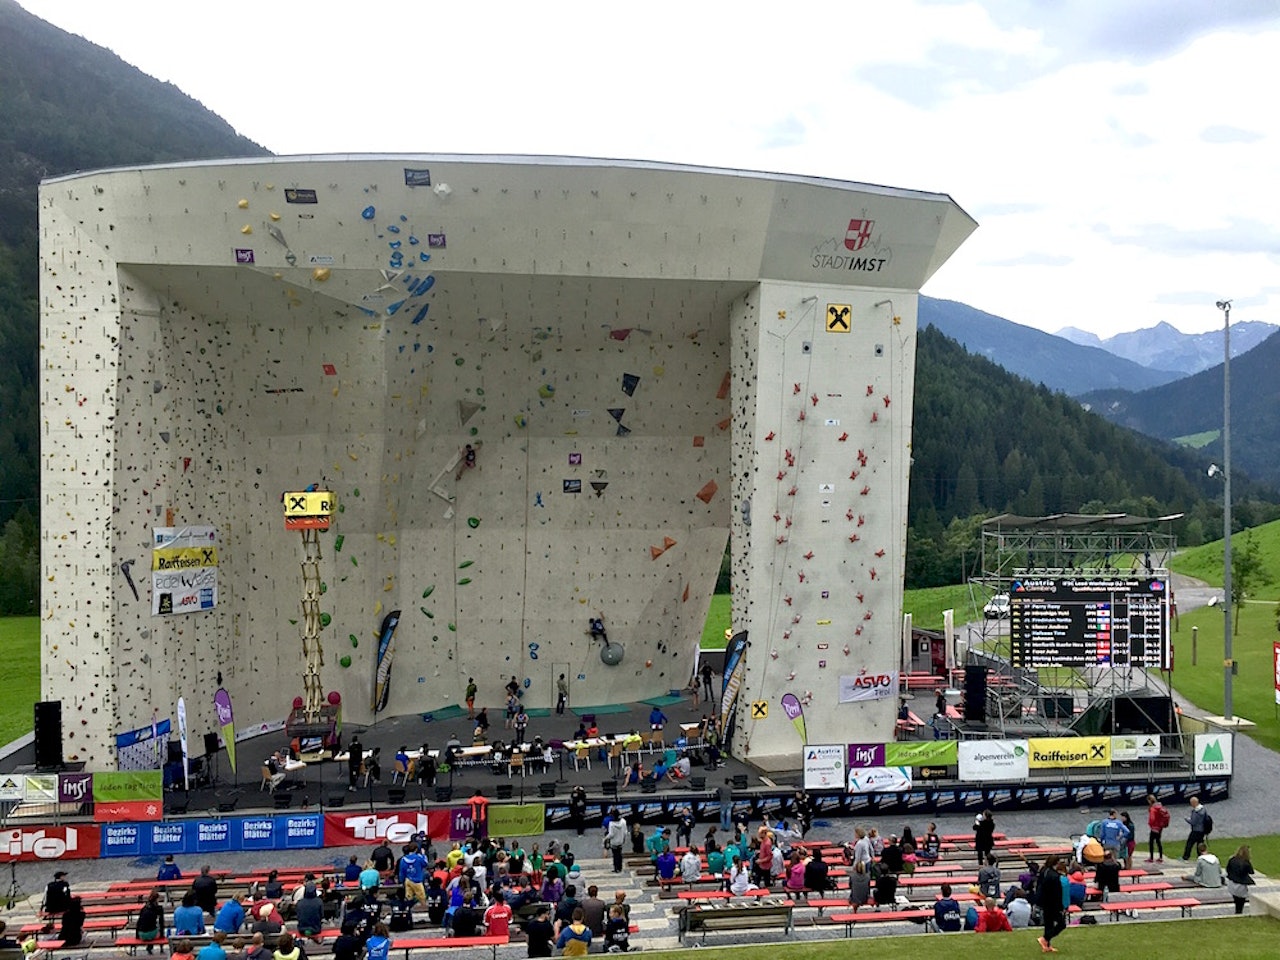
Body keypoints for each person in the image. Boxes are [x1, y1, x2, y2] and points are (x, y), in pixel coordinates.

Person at [1037, 855, 1068, 954]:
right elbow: (1057, 893)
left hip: (1044, 901)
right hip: (1053, 904)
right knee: (1061, 924)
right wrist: (1061, 907)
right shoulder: (1055, 876)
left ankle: (1047, 945)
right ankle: (1045, 939)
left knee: (1049, 924)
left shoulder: (1044, 871)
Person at [1225, 844, 1255, 914]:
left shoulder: (1232, 859)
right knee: (1241, 902)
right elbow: (1251, 872)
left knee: (1236, 900)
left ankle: (1237, 911)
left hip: (1232, 883)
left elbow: (1227, 869)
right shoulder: (1246, 863)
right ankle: (1238, 912)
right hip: (1241, 885)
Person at [1146, 793, 1170, 863]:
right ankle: (1160, 857)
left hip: (1154, 827)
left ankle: (1151, 857)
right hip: (1160, 827)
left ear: (1149, 801)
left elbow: (1152, 818)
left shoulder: (1153, 808)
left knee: (1151, 842)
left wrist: (1150, 824)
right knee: (1158, 841)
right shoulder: (1160, 806)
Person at [1183, 795, 1208, 861]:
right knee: (1199, 844)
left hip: (1196, 830)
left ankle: (1186, 857)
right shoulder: (1203, 809)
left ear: (1194, 803)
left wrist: (1187, 819)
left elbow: (1193, 822)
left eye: (1191, 803)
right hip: (1202, 830)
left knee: (1189, 843)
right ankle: (1200, 857)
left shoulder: (1196, 812)